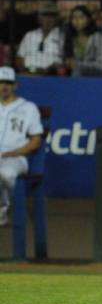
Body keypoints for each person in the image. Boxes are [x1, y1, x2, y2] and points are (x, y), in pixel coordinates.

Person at [0, 67, 43, 226]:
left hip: (16, 158)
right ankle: (3, 208)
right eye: (1, 82)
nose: (4, 86)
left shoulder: (28, 108)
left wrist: (9, 154)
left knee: (6, 173)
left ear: (15, 85)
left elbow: (35, 141)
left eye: (8, 83)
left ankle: (5, 208)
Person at [16, 2, 64, 76]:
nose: (48, 19)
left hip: (51, 76)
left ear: (57, 19)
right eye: (45, 16)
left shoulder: (62, 36)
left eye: (51, 16)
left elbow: (64, 63)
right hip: (28, 74)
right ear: (39, 18)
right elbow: (19, 57)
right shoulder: (30, 35)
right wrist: (25, 72)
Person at [62, 5, 102, 76]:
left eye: (81, 17)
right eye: (74, 17)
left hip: (97, 72)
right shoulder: (69, 38)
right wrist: (68, 63)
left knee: (78, 70)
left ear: (88, 20)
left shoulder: (97, 37)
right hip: (75, 72)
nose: (77, 20)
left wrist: (79, 65)